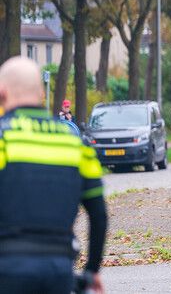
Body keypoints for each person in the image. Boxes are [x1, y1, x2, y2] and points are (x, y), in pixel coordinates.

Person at [0, 56, 107, 293]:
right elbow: (99, 214)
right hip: (58, 271)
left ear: (2, 93)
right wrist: (91, 271)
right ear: (41, 93)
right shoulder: (74, 143)